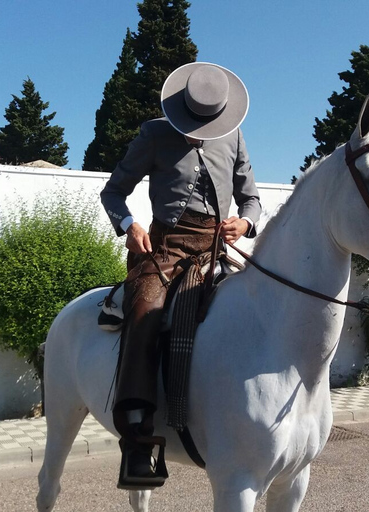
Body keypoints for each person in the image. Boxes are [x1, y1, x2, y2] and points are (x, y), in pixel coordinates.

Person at [100, 62, 262, 489]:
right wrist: (128, 225)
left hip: (217, 245)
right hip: (166, 247)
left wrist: (245, 224)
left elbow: (251, 199)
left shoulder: (235, 136)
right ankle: (137, 441)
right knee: (145, 311)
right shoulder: (154, 134)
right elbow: (113, 190)